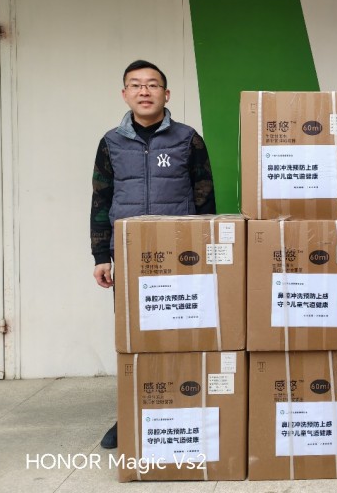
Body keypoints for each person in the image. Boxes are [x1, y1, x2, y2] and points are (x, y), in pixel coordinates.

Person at [90, 60, 216, 449]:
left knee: (181, 333)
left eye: (152, 85)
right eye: (136, 85)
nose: (144, 91)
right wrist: (100, 254)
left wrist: (208, 252)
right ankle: (131, 412)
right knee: (134, 338)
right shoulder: (110, 143)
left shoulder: (188, 139)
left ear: (166, 93)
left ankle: (185, 406)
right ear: (124, 94)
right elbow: (101, 200)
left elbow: (205, 196)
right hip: (130, 259)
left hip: (181, 257)